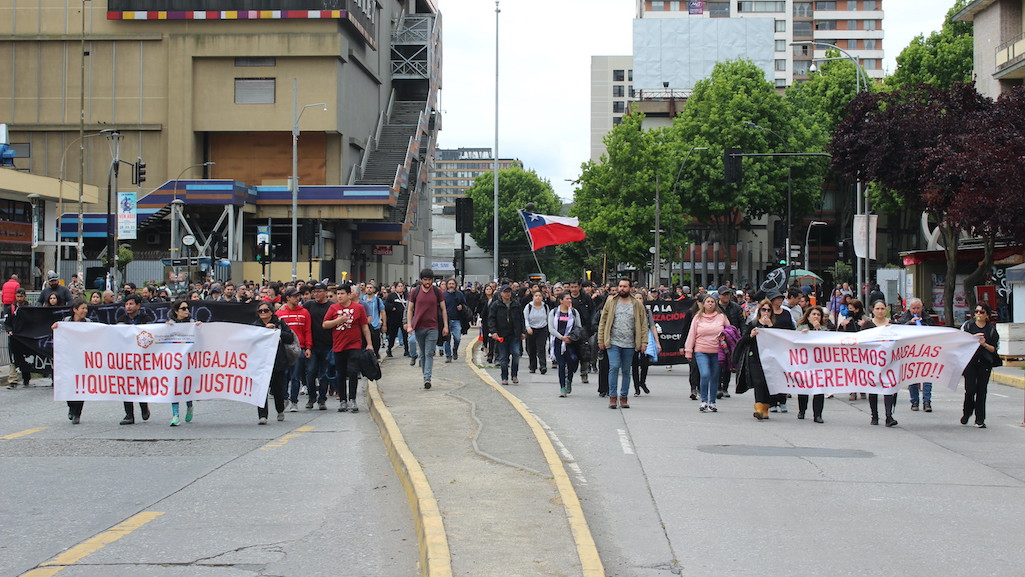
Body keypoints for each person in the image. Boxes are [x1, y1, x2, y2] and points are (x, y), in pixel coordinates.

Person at [597, 278, 649, 409]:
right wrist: (601, 339)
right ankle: (613, 397)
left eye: (625, 286)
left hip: (630, 343)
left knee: (626, 370)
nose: (622, 289)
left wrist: (644, 342)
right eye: (620, 286)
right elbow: (603, 322)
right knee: (614, 367)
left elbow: (643, 324)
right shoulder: (611, 302)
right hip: (613, 341)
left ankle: (624, 397)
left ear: (630, 288)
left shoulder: (637, 304)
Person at [322, 283, 373, 412]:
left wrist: (369, 343)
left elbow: (364, 327)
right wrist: (337, 321)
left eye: (342, 294)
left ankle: (352, 399)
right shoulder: (333, 308)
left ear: (349, 295)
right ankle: (343, 400)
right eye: (338, 294)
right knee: (341, 374)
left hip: (354, 345)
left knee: (352, 371)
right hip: (338, 346)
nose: (339, 296)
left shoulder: (358, 308)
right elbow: (325, 324)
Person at [685, 293, 729, 413]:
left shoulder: (721, 317)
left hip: (717, 351)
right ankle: (704, 400)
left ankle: (712, 402)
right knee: (705, 374)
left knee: (715, 377)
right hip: (701, 351)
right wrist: (688, 351)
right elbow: (691, 334)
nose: (710, 304)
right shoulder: (697, 318)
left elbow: (730, 332)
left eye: (712, 302)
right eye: (708, 302)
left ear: (716, 304)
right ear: (703, 304)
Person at [406, 269, 448, 389]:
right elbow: (410, 309)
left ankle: (427, 378)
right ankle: (426, 376)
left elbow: (443, 309)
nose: (427, 282)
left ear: (432, 280)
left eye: (429, 279)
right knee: (423, 354)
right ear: (421, 280)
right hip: (419, 326)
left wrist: (445, 326)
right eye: (425, 279)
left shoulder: (437, 291)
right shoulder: (415, 291)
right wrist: (409, 325)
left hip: (433, 327)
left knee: (429, 352)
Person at [116, 294, 154, 424]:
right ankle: (129, 415)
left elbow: (152, 333)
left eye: (131, 304)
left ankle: (144, 407)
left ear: (138, 306)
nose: (128, 306)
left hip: (141, 359)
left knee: (140, 384)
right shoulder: (121, 320)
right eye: (126, 304)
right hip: (126, 359)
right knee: (126, 385)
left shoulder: (146, 319)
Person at [51, 298, 91, 424]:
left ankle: (77, 413)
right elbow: (58, 333)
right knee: (69, 384)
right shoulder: (66, 321)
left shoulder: (89, 323)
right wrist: (56, 327)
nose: (84, 311)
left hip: (82, 360)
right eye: (82, 308)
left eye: (86, 308)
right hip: (68, 359)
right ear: (75, 310)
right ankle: (71, 406)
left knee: (80, 386)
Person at [255, 302, 294, 424]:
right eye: (260, 311)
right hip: (261, 362)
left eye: (266, 310)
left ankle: (280, 410)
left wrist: (277, 331)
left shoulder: (280, 323)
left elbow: (290, 338)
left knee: (277, 389)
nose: (263, 313)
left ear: (271, 312)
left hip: (277, 361)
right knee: (261, 390)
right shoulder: (255, 326)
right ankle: (262, 415)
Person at [895, 297, 936, 411]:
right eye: (914, 308)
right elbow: (899, 330)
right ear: (910, 309)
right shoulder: (904, 318)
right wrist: (909, 323)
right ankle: (914, 401)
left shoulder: (927, 318)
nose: (916, 311)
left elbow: (934, 331)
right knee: (912, 377)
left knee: (927, 377)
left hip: (925, 351)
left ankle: (927, 402)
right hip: (911, 352)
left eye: (918, 308)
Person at [961, 302, 998, 428]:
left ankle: (980, 419)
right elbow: (961, 342)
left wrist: (984, 344)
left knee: (982, 391)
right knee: (970, 390)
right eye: (976, 311)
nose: (978, 314)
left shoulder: (991, 330)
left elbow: (994, 349)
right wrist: (973, 338)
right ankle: (967, 413)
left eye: (981, 312)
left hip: (984, 362)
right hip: (970, 362)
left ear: (987, 315)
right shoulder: (968, 326)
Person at [275, 287, 312, 412]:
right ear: (288, 298)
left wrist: (308, 347)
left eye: (298, 296)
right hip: (283, 349)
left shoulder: (304, 312)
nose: (297, 298)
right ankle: (284, 397)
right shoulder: (280, 313)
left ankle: (294, 401)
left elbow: (307, 331)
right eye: (294, 296)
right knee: (284, 375)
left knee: (296, 376)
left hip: (299, 348)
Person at [862, 299, 897, 427]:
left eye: (882, 308)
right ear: (873, 310)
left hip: (889, 362)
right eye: (877, 309)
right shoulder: (867, 325)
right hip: (872, 363)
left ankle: (889, 416)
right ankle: (874, 415)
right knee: (873, 388)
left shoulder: (892, 325)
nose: (880, 311)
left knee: (889, 387)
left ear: (886, 309)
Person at [795, 305, 832, 423]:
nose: (816, 317)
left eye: (818, 315)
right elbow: (794, 342)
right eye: (813, 314)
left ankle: (818, 414)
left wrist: (818, 330)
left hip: (819, 364)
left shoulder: (825, 330)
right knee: (804, 388)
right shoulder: (801, 328)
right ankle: (802, 410)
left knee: (819, 388)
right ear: (808, 316)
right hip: (804, 363)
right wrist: (803, 335)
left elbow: (828, 342)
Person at [166, 299, 198, 426]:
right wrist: (165, 327)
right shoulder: (170, 324)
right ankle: (175, 415)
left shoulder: (192, 323)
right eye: (183, 308)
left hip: (188, 362)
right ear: (176, 311)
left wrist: (199, 327)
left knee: (186, 387)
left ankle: (189, 405)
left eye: (187, 308)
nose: (186, 311)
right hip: (174, 361)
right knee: (175, 388)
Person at [304, 283, 335, 410]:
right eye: (314, 292)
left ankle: (322, 399)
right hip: (312, 346)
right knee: (310, 372)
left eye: (319, 291)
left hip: (328, 346)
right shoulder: (309, 305)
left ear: (325, 292)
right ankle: (312, 396)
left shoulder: (332, 307)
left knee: (324, 374)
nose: (316, 294)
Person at [488, 284, 524, 386]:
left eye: (509, 292)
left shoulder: (516, 304)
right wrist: (493, 331)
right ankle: (504, 377)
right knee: (503, 357)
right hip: (501, 335)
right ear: (501, 293)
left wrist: (522, 331)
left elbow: (521, 319)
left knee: (516, 354)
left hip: (514, 334)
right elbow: (491, 319)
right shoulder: (496, 305)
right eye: (505, 292)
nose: (507, 294)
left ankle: (514, 375)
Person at [767, 290, 796, 412]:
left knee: (784, 373)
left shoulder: (786, 312)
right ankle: (772, 401)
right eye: (777, 298)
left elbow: (792, 327)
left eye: (781, 298)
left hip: (784, 348)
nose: (780, 300)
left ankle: (782, 400)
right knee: (772, 374)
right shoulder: (767, 312)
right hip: (770, 347)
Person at [548, 292, 582, 397]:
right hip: (558, 342)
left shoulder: (574, 312)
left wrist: (571, 338)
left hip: (571, 343)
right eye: (567, 299)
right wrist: (561, 337)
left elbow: (578, 327)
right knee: (561, 365)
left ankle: (569, 381)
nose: (569, 301)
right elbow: (551, 328)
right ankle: (562, 387)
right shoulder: (554, 312)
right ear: (561, 300)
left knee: (572, 362)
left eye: (570, 299)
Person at [632, 291, 660, 396]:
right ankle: (636, 388)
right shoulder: (630, 309)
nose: (638, 300)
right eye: (636, 298)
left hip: (645, 337)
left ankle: (642, 382)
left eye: (640, 298)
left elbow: (652, 326)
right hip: (633, 338)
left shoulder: (647, 311)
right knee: (634, 364)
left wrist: (657, 342)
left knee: (645, 363)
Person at [523, 290, 550, 375]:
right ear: (533, 297)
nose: (538, 297)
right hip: (531, 329)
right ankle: (532, 366)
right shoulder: (529, 307)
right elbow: (526, 318)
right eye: (536, 296)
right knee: (531, 349)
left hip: (542, 329)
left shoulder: (545, 306)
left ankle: (543, 366)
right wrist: (528, 328)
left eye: (540, 296)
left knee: (541, 348)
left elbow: (548, 317)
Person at [360, 283, 387, 360]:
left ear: (374, 289)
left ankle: (375, 354)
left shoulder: (378, 300)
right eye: (367, 287)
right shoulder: (362, 300)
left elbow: (383, 311)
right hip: (365, 324)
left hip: (375, 325)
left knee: (376, 342)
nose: (369, 289)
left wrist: (384, 323)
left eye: (370, 287)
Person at [441, 279, 466, 362]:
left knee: (457, 338)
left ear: (455, 285)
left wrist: (462, 307)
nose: (451, 285)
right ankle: (448, 355)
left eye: (453, 284)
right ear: (447, 285)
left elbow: (465, 305)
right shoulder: (443, 295)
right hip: (446, 320)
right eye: (449, 284)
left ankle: (455, 350)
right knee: (446, 339)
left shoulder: (460, 295)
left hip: (457, 320)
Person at [384, 281, 409, 358]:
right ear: (396, 288)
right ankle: (389, 349)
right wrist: (391, 307)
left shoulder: (406, 296)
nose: (401, 288)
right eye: (399, 286)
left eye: (402, 286)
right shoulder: (391, 296)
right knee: (392, 335)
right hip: (394, 319)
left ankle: (406, 350)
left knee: (405, 335)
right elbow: (386, 304)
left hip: (404, 319)